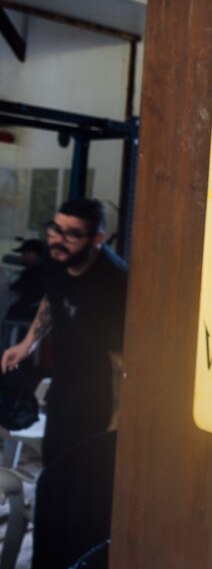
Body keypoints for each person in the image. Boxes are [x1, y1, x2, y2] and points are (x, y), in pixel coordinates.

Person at [0, 198, 127, 466]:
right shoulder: (61, 258)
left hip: (99, 401)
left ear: (98, 238)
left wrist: (116, 423)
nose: (59, 239)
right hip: (64, 384)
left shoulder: (114, 282)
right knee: (53, 468)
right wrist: (28, 343)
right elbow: (52, 297)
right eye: (55, 229)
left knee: (82, 481)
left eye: (72, 234)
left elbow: (121, 360)